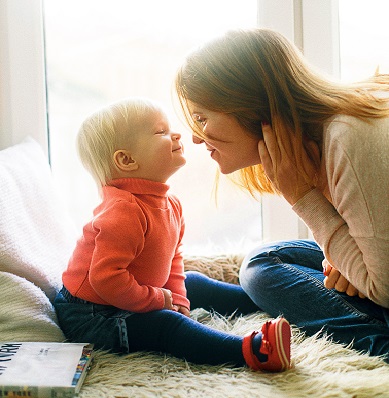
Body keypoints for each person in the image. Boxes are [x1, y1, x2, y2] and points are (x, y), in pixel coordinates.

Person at [174, 28, 389, 362]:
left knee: (261, 269)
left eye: (202, 118)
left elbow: (384, 288)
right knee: (266, 259)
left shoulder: (345, 138)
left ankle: (378, 341)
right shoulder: (326, 137)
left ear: (248, 104)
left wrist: (303, 197)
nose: (197, 138)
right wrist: (347, 260)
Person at [53, 97, 291, 372]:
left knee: (194, 282)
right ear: (126, 160)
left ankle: (267, 300)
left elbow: (173, 260)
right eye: (161, 132)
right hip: (91, 314)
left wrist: (177, 298)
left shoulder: (171, 205)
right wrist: (157, 301)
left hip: (130, 293)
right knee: (167, 326)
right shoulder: (123, 212)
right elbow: (106, 279)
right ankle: (253, 350)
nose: (177, 134)